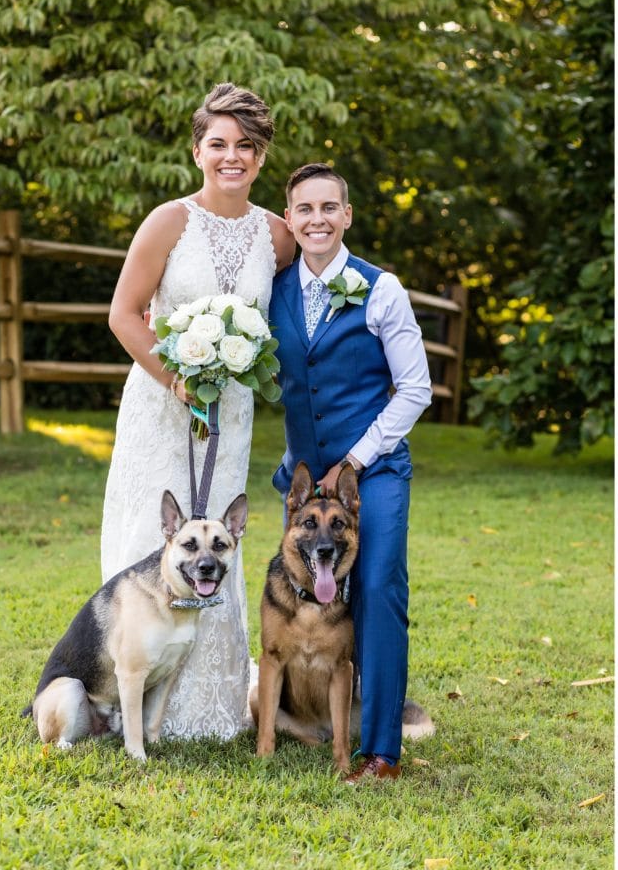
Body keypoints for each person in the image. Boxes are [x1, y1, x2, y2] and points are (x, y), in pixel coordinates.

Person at [101, 83, 294, 740]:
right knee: (154, 537)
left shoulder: (277, 236)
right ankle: (128, 696)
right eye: (219, 144)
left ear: (261, 157)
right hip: (161, 408)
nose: (231, 156)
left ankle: (205, 710)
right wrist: (174, 380)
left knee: (216, 538)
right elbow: (124, 315)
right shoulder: (168, 221)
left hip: (231, 413)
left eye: (246, 146)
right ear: (197, 150)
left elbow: (284, 327)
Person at [269, 162, 432, 783]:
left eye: (328, 208)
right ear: (290, 219)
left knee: (379, 587)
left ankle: (382, 751)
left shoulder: (380, 288)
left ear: (347, 216)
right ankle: (305, 713)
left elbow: (415, 389)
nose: (317, 219)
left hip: (377, 470)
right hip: (306, 484)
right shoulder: (274, 286)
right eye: (304, 209)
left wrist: (357, 459)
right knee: (304, 589)